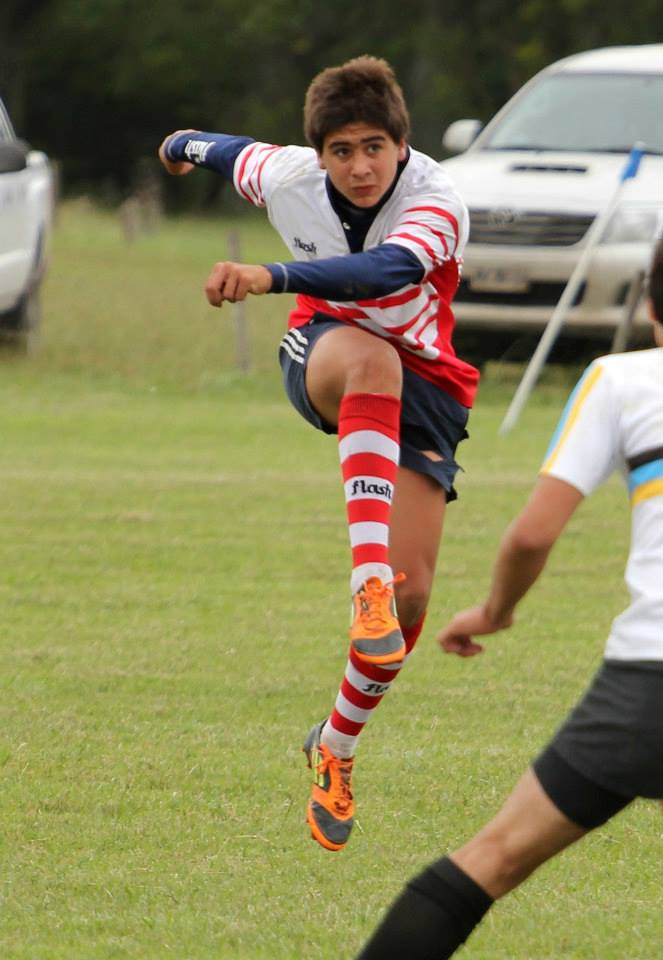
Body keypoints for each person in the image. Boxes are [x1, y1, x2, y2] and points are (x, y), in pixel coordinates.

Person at [355, 202, 663, 959]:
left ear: (652, 304)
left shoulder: (622, 380)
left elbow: (532, 534)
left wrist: (493, 610)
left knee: (491, 860)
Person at [158, 56, 478, 852]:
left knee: (411, 611)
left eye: (375, 146)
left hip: (430, 383)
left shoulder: (437, 200)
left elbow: (386, 271)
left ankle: (334, 746)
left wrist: (268, 271)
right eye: (342, 150)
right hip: (328, 352)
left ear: (401, 143)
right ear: (320, 153)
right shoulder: (289, 174)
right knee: (372, 360)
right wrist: (181, 143)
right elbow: (230, 151)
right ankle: (363, 584)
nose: (360, 165)